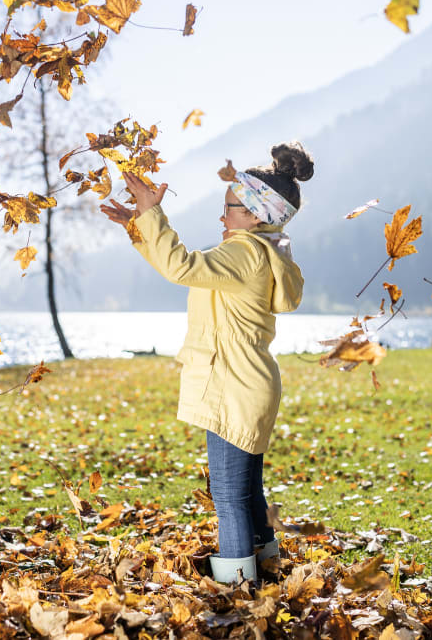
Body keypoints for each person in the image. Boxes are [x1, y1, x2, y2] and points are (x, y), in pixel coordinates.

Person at [101, 143, 310, 584]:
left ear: (255, 215)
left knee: (229, 496)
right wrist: (141, 228)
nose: (223, 216)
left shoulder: (244, 253)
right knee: (248, 491)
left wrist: (149, 214)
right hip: (249, 382)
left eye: (231, 208)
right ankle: (265, 575)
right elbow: (190, 270)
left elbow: (181, 267)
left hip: (234, 385)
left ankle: (241, 593)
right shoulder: (260, 251)